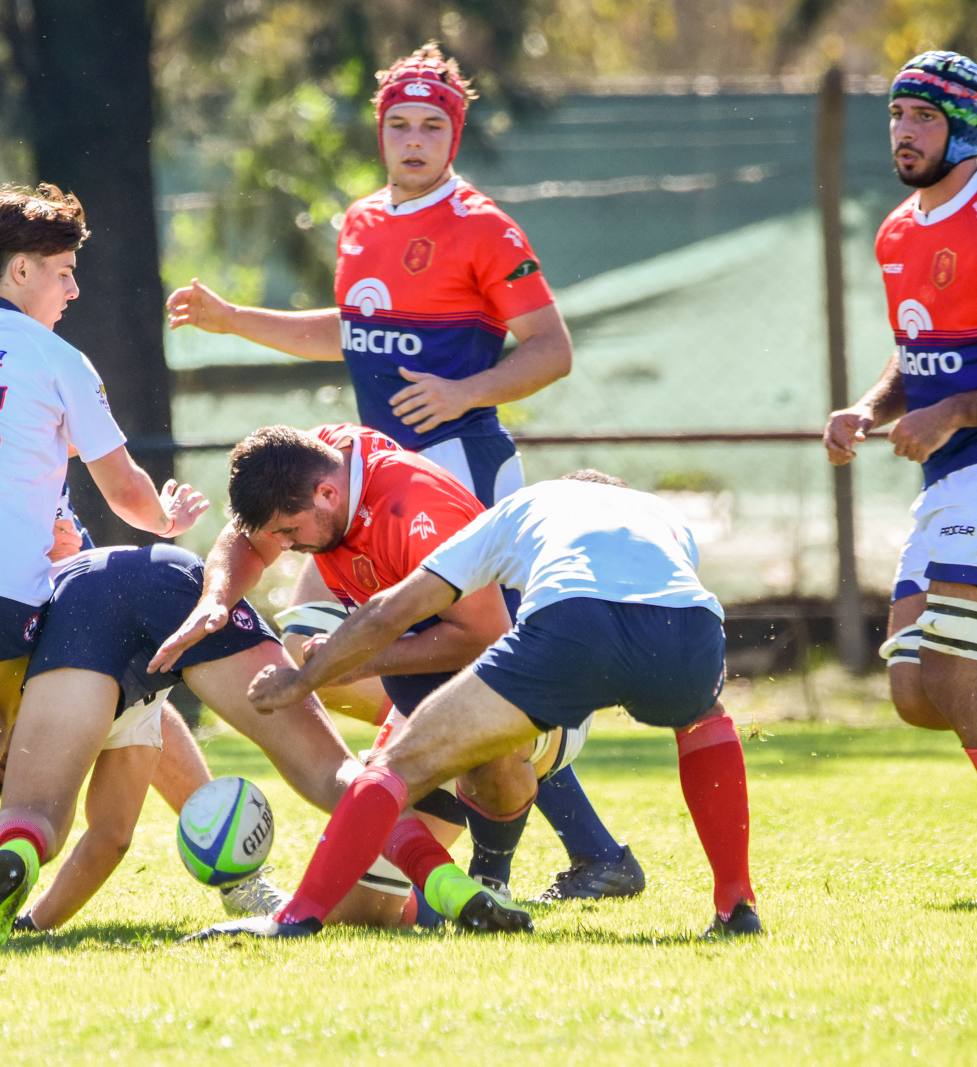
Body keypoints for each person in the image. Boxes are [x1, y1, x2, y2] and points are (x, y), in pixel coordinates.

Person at [165, 43, 632, 896]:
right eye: (398, 126)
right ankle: (521, 806)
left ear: (453, 136)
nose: (413, 141)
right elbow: (345, 331)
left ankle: (542, 838)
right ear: (380, 134)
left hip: (460, 477)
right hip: (355, 492)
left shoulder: (484, 227)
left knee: (472, 664)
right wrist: (234, 320)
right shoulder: (362, 222)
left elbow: (551, 351)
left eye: (430, 126)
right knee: (316, 641)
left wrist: (466, 392)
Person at [0, 198, 282, 936]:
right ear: (21, 268)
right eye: (63, 274)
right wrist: (168, 520)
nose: (72, 291)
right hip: (4, 573)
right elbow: (125, 488)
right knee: (18, 714)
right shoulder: (59, 358)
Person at [190, 471, 760, 941]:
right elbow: (651, 596)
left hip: (571, 626)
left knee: (395, 766)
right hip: (691, 627)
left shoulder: (521, 508)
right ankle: (736, 906)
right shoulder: (661, 514)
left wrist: (307, 677)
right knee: (703, 721)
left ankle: (295, 918)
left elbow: (393, 609)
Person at [150, 424, 638, 920]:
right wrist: (215, 599)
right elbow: (248, 538)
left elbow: (485, 639)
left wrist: (354, 662)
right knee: (367, 916)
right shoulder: (314, 460)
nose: (284, 547)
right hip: (422, 689)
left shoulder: (416, 509)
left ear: (327, 493)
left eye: (291, 532)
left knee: (484, 745)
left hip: (530, 680)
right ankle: (437, 810)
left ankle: (493, 875)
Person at [823, 52, 977, 902]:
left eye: (923, 117)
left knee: (955, 677)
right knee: (914, 689)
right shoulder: (898, 230)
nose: (902, 131)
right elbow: (918, 356)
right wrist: (870, 408)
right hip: (948, 474)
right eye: (896, 114)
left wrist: (959, 413)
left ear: (964, 126)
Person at [0, 543, 360, 943]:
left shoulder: (10, 696)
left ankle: (19, 849)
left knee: (33, 816)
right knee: (326, 767)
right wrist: (35, 924)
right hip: (167, 569)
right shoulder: (104, 709)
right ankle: (407, 822)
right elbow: (111, 838)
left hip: (82, 612)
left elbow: (111, 838)